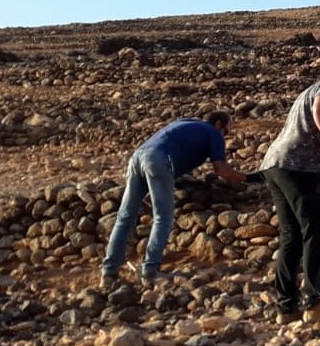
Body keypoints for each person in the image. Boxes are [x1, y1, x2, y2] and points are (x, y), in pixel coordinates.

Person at [100, 110, 250, 288]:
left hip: (137, 157)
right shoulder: (213, 133)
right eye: (226, 131)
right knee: (163, 218)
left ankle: (109, 274)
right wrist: (247, 178)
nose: (226, 135)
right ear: (219, 124)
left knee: (124, 218)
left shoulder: (187, 122)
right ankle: (150, 271)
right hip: (158, 160)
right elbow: (221, 170)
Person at [260, 53, 320, 323]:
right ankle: (316, 305)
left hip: (276, 165)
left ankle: (286, 307)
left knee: (292, 236)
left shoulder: (307, 91)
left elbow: (317, 142)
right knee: (317, 233)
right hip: (303, 169)